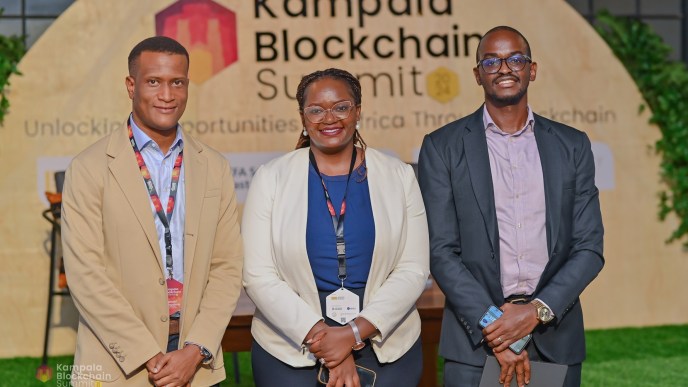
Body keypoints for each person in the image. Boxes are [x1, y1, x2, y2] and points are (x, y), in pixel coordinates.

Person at [418, 26, 604, 387]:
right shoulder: (442, 147)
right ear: (478, 74)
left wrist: (536, 312)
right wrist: (496, 326)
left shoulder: (572, 145)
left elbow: (589, 248)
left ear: (531, 70)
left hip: (554, 337)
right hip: (476, 344)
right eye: (492, 61)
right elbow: (440, 250)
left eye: (515, 59)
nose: (505, 68)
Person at [62, 36, 243, 387]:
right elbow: (86, 276)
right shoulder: (88, 168)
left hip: (196, 363)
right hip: (119, 365)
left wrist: (195, 350)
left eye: (177, 82)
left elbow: (227, 266)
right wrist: (149, 354)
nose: (167, 95)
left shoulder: (215, 167)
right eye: (153, 82)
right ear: (131, 86)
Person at [242, 68, 430, 387]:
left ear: (357, 111)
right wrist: (329, 343)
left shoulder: (399, 176)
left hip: (385, 343)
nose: (329, 118)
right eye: (316, 109)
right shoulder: (270, 178)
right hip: (291, 347)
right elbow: (257, 275)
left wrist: (353, 332)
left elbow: (413, 270)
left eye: (341, 107)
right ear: (303, 117)